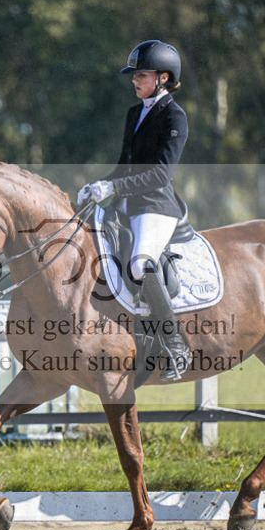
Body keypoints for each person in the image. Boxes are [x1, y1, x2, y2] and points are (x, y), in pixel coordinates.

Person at [78, 39, 191, 381]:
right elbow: (124, 166)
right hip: (125, 204)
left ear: (163, 78)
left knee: (141, 263)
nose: (134, 80)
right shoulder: (134, 113)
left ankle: (176, 345)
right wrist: (99, 186)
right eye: (134, 75)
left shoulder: (175, 116)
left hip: (156, 207)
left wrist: (114, 188)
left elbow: (160, 174)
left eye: (141, 75)